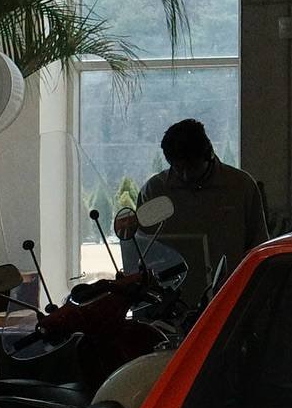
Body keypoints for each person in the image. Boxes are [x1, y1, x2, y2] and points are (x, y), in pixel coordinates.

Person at [113, 118, 268, 297]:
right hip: (169, 298)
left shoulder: (239, 187)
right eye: (178, 168)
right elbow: (142, 251)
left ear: (208, 154)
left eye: (192, 167)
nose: (185, 175)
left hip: (229, 296)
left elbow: (258, 247)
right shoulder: (156, 191)